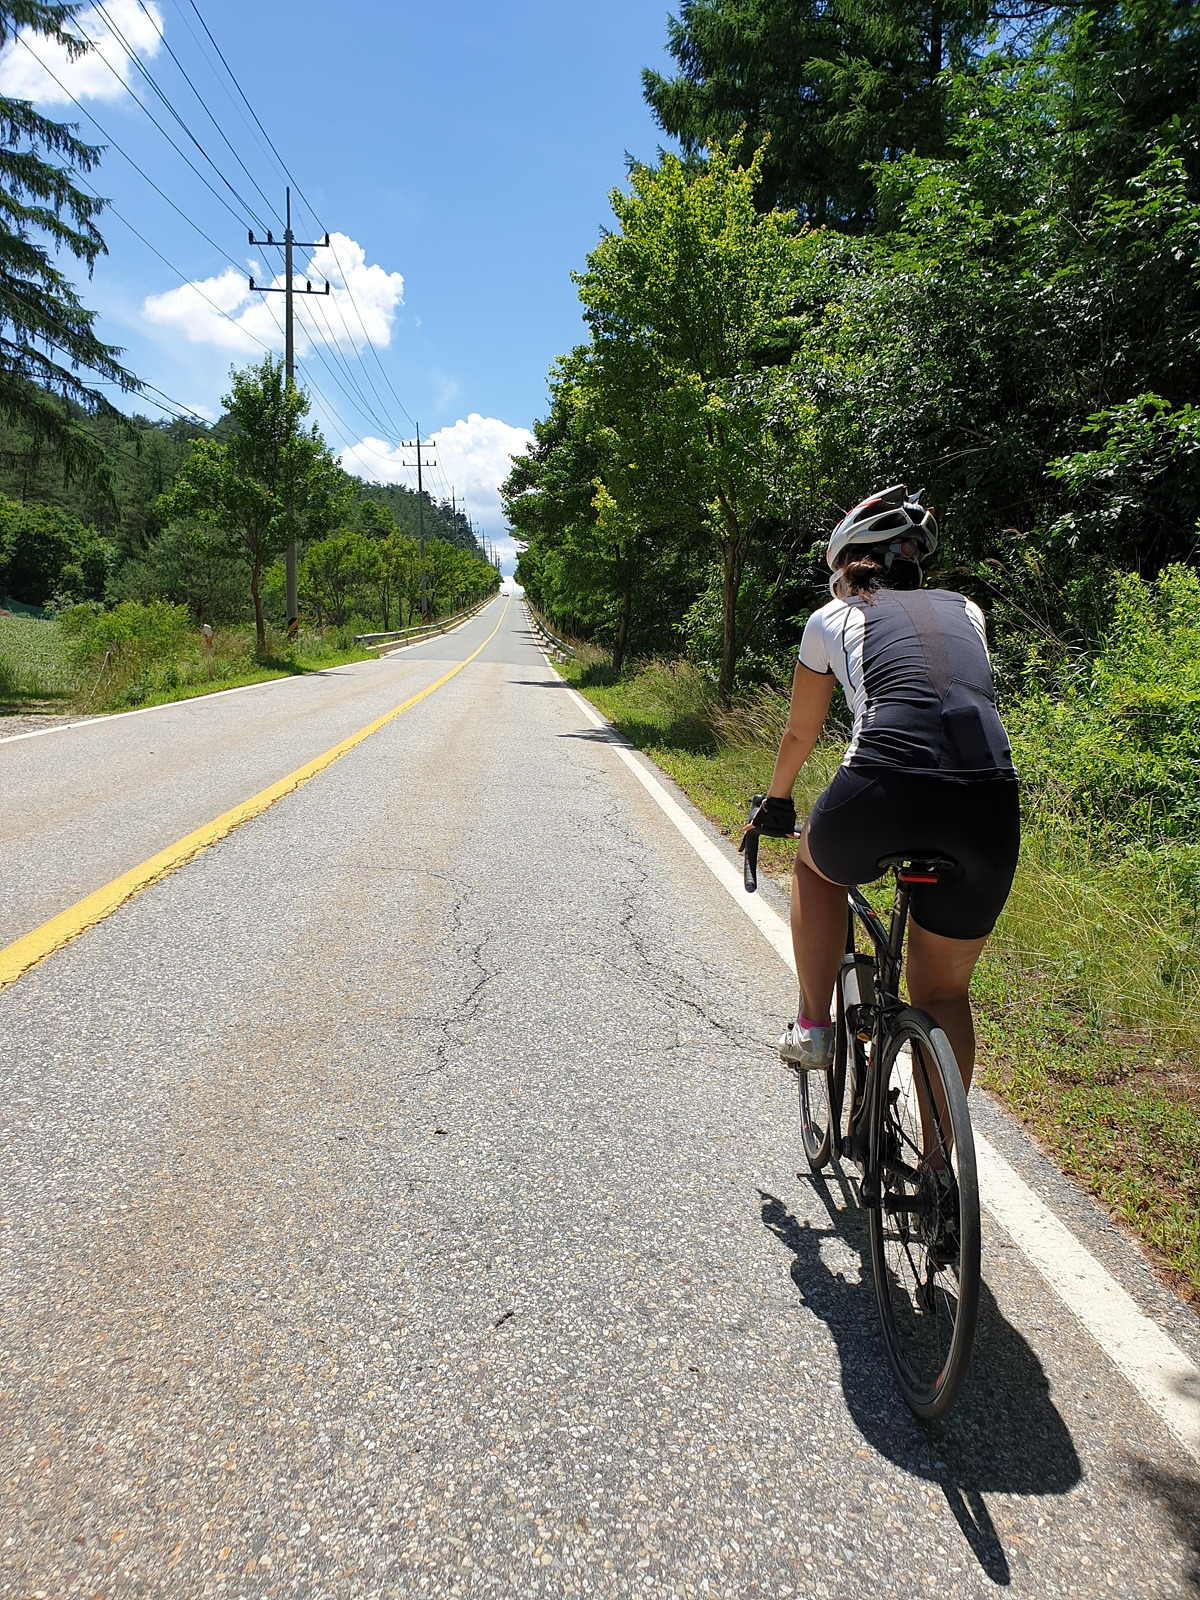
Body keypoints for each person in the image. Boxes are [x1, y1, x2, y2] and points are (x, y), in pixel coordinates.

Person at [752, 484, 1019, 1086]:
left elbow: (800, 733)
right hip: (989, 802)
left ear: (846, 567)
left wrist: (777, 800)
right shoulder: (968, 610)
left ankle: (813, 1027)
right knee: (944, 992)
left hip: (882, 787)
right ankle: (939, 1148)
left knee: (814, 867)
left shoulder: (830, 618)